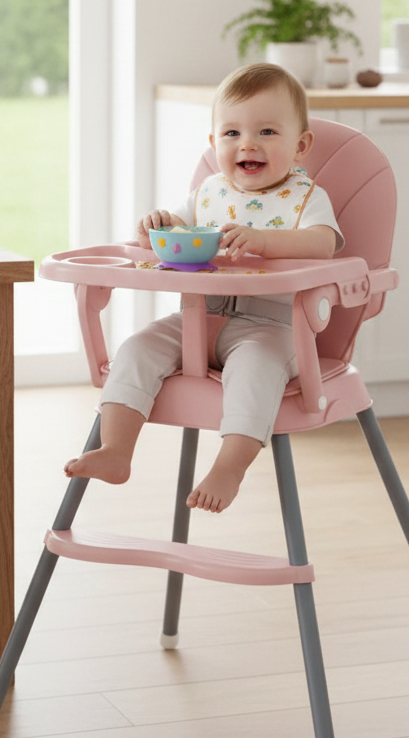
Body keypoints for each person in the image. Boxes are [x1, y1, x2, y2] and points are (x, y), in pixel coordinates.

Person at [64, 63, 344, 513]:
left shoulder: (306, 197)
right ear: (214, 144)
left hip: (271, 327)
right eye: (232, 133)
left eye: (267, 131)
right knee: (136, 348)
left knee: (255, 371)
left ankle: (230, 467)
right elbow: (175, 235)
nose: (247, 144)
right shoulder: (208, 193)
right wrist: (159, 225)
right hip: (197, 317)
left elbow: (324, 243)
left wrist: (264, 241)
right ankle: (116, 450)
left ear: (300, 146)